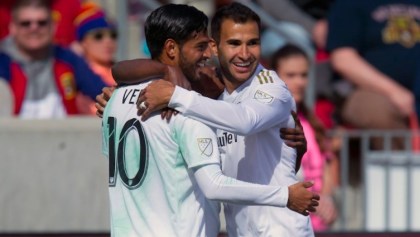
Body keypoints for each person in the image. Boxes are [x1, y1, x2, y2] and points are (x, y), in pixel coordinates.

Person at [102, 4, 319, 237]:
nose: (245, 54)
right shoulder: (197, 101)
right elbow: (215, 184)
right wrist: (169, 77)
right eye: (234, 43)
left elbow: (246, 121)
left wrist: (175, 94)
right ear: (216, 47)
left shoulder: (268, 87)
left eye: (253, 43)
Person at [326, 0, 420, 148]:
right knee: (378, 112)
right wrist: (394, 92)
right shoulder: (350, 4)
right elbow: (343, 59)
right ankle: (401, 168)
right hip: (366, 90)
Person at [271, 44, 338, 231]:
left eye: (304, 75)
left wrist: (326, 199)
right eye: (291, 75)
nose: (299, 82)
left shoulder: (311, 121)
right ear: (275, 78)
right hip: (284, 224)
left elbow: (328, 163)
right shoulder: (270, 123)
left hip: (316, 225)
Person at [0, 0, 106, 118]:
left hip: (63, 133)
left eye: (42, 23)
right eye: (26, 23)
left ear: (53, 26)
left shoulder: (67, 58)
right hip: (13, 134)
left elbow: (101, 91)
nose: (34, 28)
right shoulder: (3, 61)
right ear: (13, 28)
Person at [74, 2, 117, 115]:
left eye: (113, 35)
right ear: (83, 42)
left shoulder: (124, 69)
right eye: (98, 36)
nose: (108, 41)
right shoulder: (77, 74)